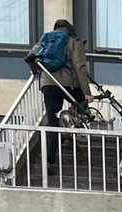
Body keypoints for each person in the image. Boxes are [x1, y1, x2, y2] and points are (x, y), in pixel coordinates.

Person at [25, 19, 91, 167]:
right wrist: (87, 93)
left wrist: (36, 72)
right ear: (70, 29)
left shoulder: (46, 40)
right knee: (82, 106)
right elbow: (80, 67)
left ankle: (49, 160)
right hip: (69, 84)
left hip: (49, 83)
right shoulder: (74, 41)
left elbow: (30, 57)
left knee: (52, 121)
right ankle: (74, 135)